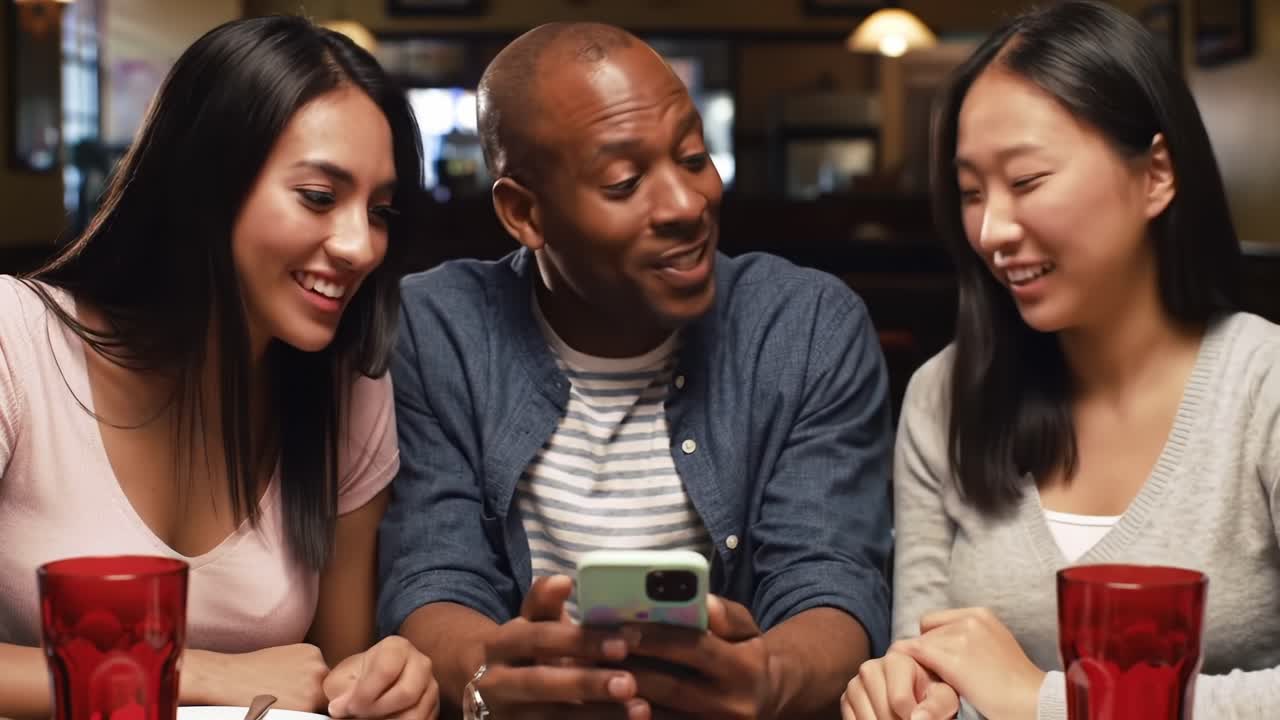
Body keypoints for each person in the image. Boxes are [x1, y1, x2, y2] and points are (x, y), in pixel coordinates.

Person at [377, 21, 894, 720]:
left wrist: (765, 677)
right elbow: (434, 574)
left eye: (693, 156)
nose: (688, 205)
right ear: (523, 212)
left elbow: (830, 578)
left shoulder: (804, 327)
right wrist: (499, 674)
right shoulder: (440, 329)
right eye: (624, 181)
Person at [841, 2, 1280, 719]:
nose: (992, 230)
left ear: (1157, 174)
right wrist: (902, 692)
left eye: (1028, 181)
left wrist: (1045, 700)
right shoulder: (944, 397)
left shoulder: (1264, 388)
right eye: (971, 192)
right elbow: (925, 665)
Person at [0, 15, 438, 720]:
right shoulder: (15, 342)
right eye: (320, 198)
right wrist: (185, 674)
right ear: (204, 184)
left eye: (380, 210)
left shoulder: (349, 391)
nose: (362, 245)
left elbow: (334, 672)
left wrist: (385, 680)